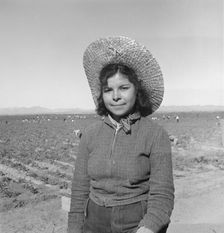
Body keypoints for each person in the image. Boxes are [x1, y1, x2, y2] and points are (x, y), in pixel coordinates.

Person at [67, 36, 174, 233]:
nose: (116, 96)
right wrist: (74, 229)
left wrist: (148, 228)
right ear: (102, 94)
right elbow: (79, 192)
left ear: (137, 91)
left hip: (137, 223)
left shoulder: (155, 135)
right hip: (94, 223)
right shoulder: (90, 135)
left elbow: (163, 195)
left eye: (124, 88)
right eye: (108, 90)